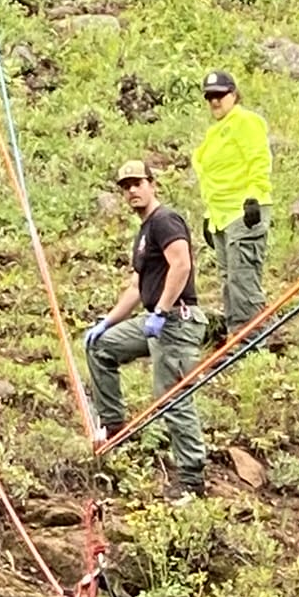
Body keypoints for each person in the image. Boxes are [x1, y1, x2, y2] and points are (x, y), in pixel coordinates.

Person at [84, 161, 208, 503]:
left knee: (172, 396)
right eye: (125, 186)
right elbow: (137, 286)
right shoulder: (143, 232)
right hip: (156, 319)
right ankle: (114, 426)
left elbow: (181, 264)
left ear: (152, 184)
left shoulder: (165, 220)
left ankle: (191, 478)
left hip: (177, 320)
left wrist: (162, 310)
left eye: (137, 183)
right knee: (102, 347)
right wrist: (108, 322)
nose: (132, 191)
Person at [191, 68, 272, 335]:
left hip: (243, 211)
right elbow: (214, 177)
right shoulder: (216, 132)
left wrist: (255, 196)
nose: (214, 101)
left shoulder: (245, 121)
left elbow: (258, 159)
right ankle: (237, 335)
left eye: (220, 95)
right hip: (222, 216)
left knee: (242, 278)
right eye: (210, 96)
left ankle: (250, 339)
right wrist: (209, 217)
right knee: (229, 279)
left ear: (233, 95)